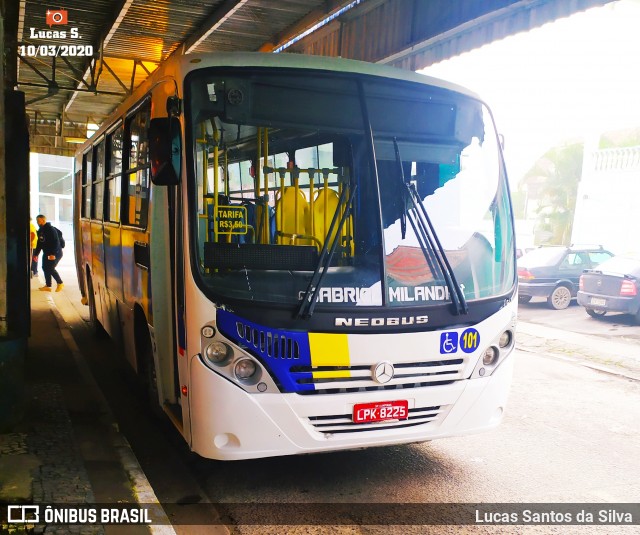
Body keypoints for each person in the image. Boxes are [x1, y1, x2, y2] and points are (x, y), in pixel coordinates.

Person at [32, 214, 64, 292]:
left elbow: (56, 242)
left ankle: (60, 283)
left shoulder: (50, 229)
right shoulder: (40, 230)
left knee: (50, 268)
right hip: (47, 252)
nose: (37, 222)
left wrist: (53, 253)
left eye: (38, 221)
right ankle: (48, 286)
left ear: (43, 220)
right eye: (37, 221)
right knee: (44, 267)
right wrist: (36, 254)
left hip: (55, 252)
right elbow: (40, 243)